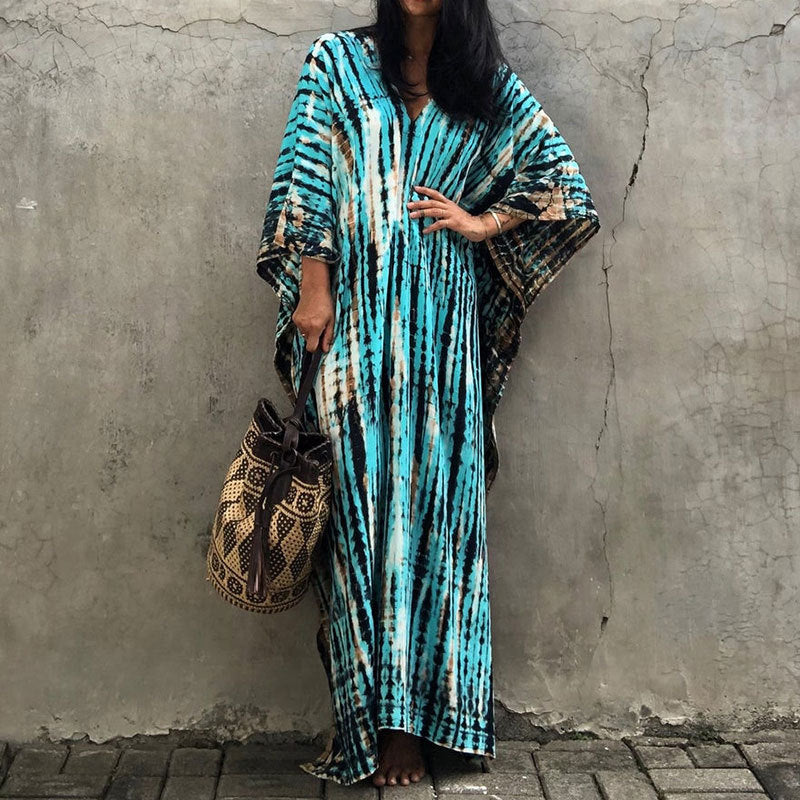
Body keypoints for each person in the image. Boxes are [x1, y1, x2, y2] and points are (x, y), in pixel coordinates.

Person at [255, 0, 600, 787]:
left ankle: (426, 725)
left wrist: (483, 223)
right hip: (350, 325)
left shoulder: (482, 80)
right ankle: (371, 724)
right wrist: (315, 286)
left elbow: (562, 184)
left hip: (441, 335)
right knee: (358, 520)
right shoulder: (337, 62)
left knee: (435, 515)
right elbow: (307, 175)